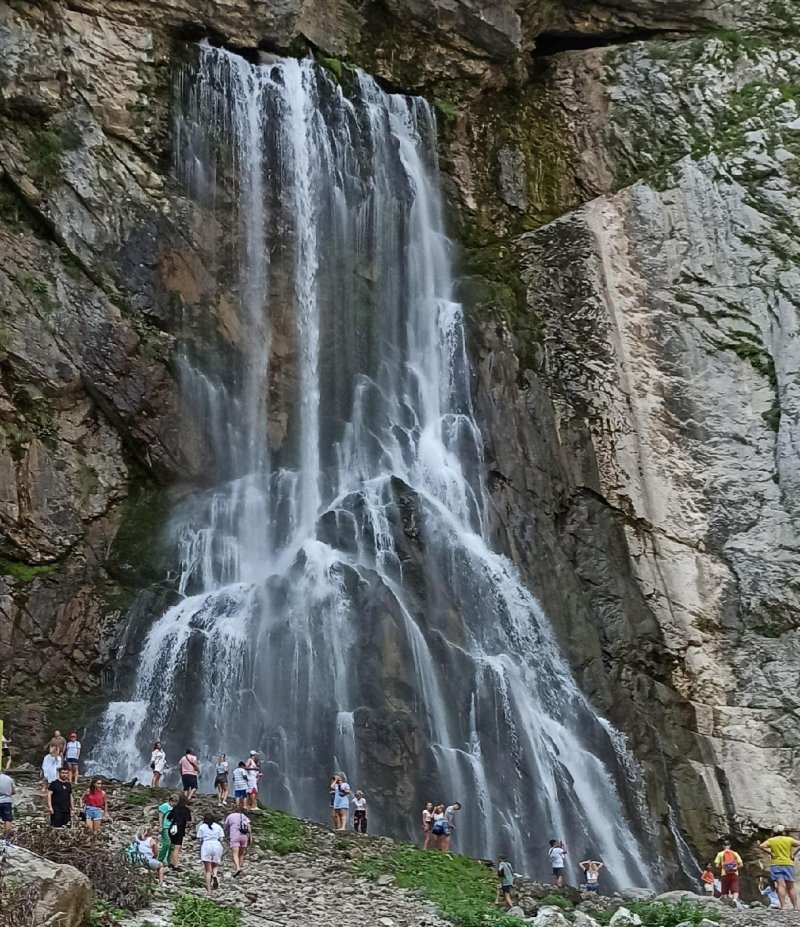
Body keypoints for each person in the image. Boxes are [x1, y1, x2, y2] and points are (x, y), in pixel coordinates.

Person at [759, 827, 800, 909]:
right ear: (783, 832)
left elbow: (761, 846)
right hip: (788, 864)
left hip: (776, 864)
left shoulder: (772, 840)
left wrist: (770, 853)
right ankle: (795, 907)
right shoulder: (789, 839)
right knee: (790, 886)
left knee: (780, 885)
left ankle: (783, 906)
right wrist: (793, 854)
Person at [197, 813, 225, 897]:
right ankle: (215, 875)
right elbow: (222, 838)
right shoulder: (218, 826)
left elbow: (199, 838)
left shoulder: (202, 827)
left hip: (206, 845)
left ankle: (209, 891)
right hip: (216, 844)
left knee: (208, 870)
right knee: (215, 864)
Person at [166, 793, 192, 870]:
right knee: (177, 848)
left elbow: (168, 817)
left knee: (172, 846)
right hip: (180, 829)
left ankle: (171, 862)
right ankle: (176, 865)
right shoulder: (186, 810)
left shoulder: (174, 808)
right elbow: (188, 822)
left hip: (172, 828)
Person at [224, 806, 251, 877]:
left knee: (235, 853)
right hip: (244, 836)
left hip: (235, 836)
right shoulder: (243, 816)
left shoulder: (230, 816)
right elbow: (249, 826)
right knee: (241, 854)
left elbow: (226, 827)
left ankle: (237, 867)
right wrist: (250, 836)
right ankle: (240, 867)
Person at [714, 839, 743, 904]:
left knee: (725, 889)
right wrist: (735, 867)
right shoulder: (735, 853)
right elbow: (741, 864)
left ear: (723, 846)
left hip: (724, 874)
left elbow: (716, 865)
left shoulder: (720, 854)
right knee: (735, 888)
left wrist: (724, 867)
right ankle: (735, 900)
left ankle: (727, 902)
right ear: (729, 846)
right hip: (734, 873)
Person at [157, 794, 177, 863]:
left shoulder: (175, 807)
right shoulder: (164, 806)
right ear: (170, 801)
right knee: (167, 843)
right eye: (174, 802)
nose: (175, 804)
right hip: (165, 827)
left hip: (172, 827)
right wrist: (160, 826)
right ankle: (160, 859)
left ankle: (169, 861)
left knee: (172, 845)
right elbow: (160, 816)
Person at [0, 768, 15, 837]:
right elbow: (13, 791)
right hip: (7, 801)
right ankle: (6, 836)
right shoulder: (9, 778)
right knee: (7, 819)